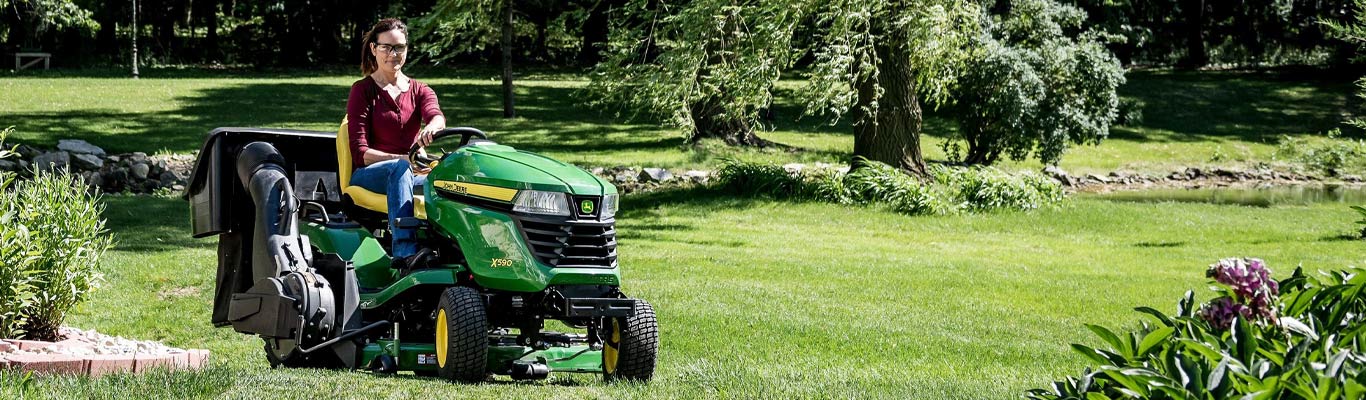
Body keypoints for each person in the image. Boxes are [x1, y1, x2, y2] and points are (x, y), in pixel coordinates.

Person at [345, 18, 445, 268]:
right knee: (400, 170)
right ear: (373, 49)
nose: (394, 54)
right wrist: (403, 161)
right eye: (387, 47)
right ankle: (405, 253)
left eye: (399, 47)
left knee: (451, 178)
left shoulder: (420, 90)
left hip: (411, 173)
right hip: (369, 174)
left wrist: (434, 125)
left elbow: (436, 114)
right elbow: (360, 153)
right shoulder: (363, 90)